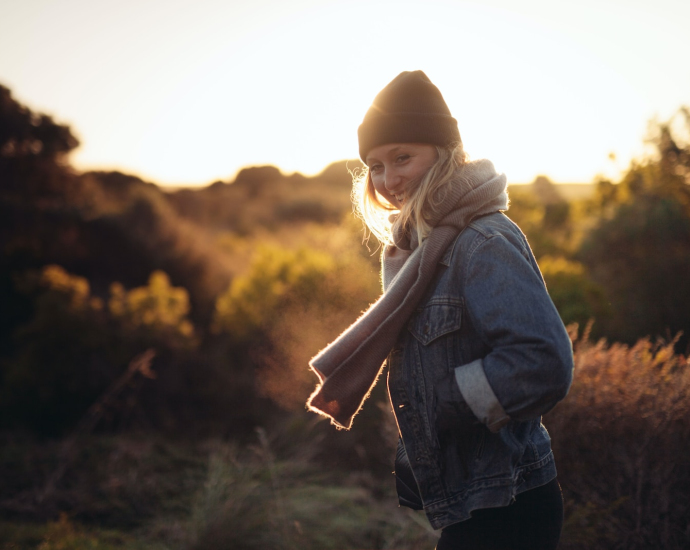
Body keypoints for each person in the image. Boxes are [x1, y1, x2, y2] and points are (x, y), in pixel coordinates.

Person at [307, 70, 574, 549]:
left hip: (511, 504)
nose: (388, 179)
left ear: (445, 152)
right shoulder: (420, 249)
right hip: (476, 499)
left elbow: (543, 361)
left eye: (402, 157)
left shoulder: (482, 241)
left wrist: (444, 405)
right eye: (376, 165)